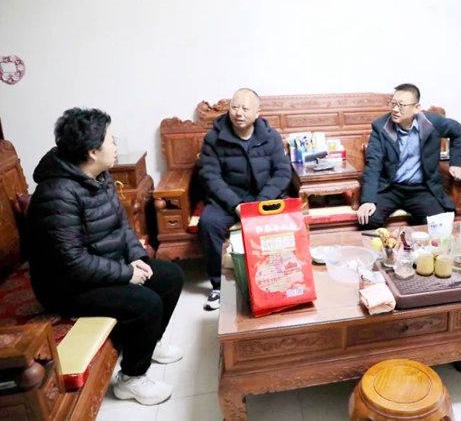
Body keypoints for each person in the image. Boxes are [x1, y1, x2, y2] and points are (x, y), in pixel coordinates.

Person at [27, 108, 184, 406]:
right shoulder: (56, 194)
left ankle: (149, 343)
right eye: (111, 141)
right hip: (66, 286)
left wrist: (136, 257)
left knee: (170, 277)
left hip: (103, 265)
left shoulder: (98, 175)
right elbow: (72, 262)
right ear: (92, 151)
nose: (115, 147)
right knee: (146, 303)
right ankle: (131, 378)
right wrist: (126, 273)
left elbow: (121, 224)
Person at [198, 88, 291, 310]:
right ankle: (218, 286)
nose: (238, 113)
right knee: (208, 223)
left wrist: (260, 203)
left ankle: (280, 277)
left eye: (245, 109)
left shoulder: (270, 136)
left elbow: (282, 173)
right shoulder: (214, 138)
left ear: (257, 113)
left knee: (287, 221)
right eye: (234, 107)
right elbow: (210, 176)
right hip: (228, 199)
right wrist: (236, 205)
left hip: (262, 198)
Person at [357, 83, 461, 229]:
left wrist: (456, 163)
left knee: (440, 223)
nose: (395, 109)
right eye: (393, 104)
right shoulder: (381, 127)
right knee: (369, 219)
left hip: (421, 188)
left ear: (416, 108)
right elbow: (373, 165)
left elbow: (458, 131)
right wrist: (368, 200)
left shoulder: (432, 123)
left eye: (401, 105)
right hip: (390, 187)